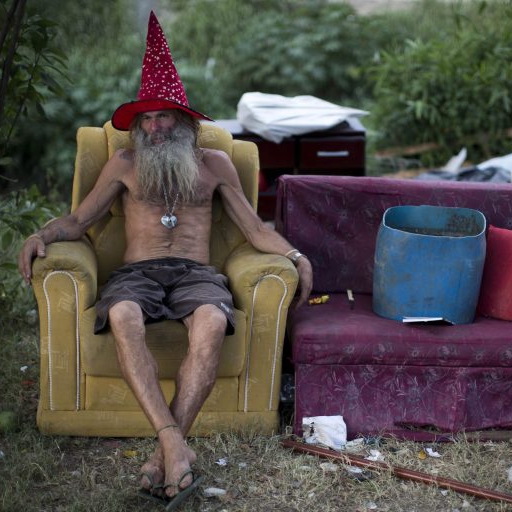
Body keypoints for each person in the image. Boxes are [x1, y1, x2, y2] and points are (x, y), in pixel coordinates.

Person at [18, 12, 312, 504]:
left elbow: (255, 230)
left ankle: (162, 456)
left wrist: (296, 255)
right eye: (145, 119)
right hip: (137, 275)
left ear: (183, 121)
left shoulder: (214, 165)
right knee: (123, 315)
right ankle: (175, 445)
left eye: (162, 116)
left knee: (213, 325)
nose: (153, 127)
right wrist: (41, 233)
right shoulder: (125, 163)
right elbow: (78, 221)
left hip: (197, 275)